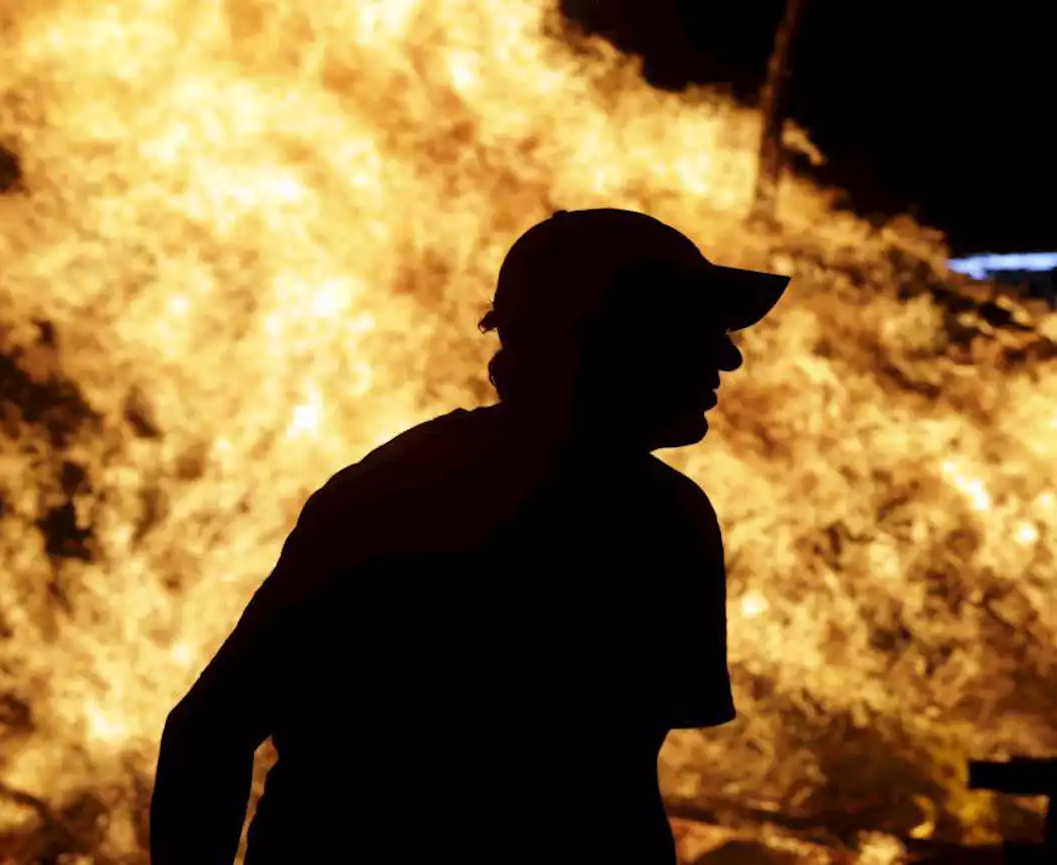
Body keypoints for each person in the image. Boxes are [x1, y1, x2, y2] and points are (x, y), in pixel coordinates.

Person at [150, 208, 790, 864]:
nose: (727, 354)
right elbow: (614, 787)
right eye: (688, 327)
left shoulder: (399, 486)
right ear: (602, 337)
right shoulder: (655, 518)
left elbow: (210, 728)